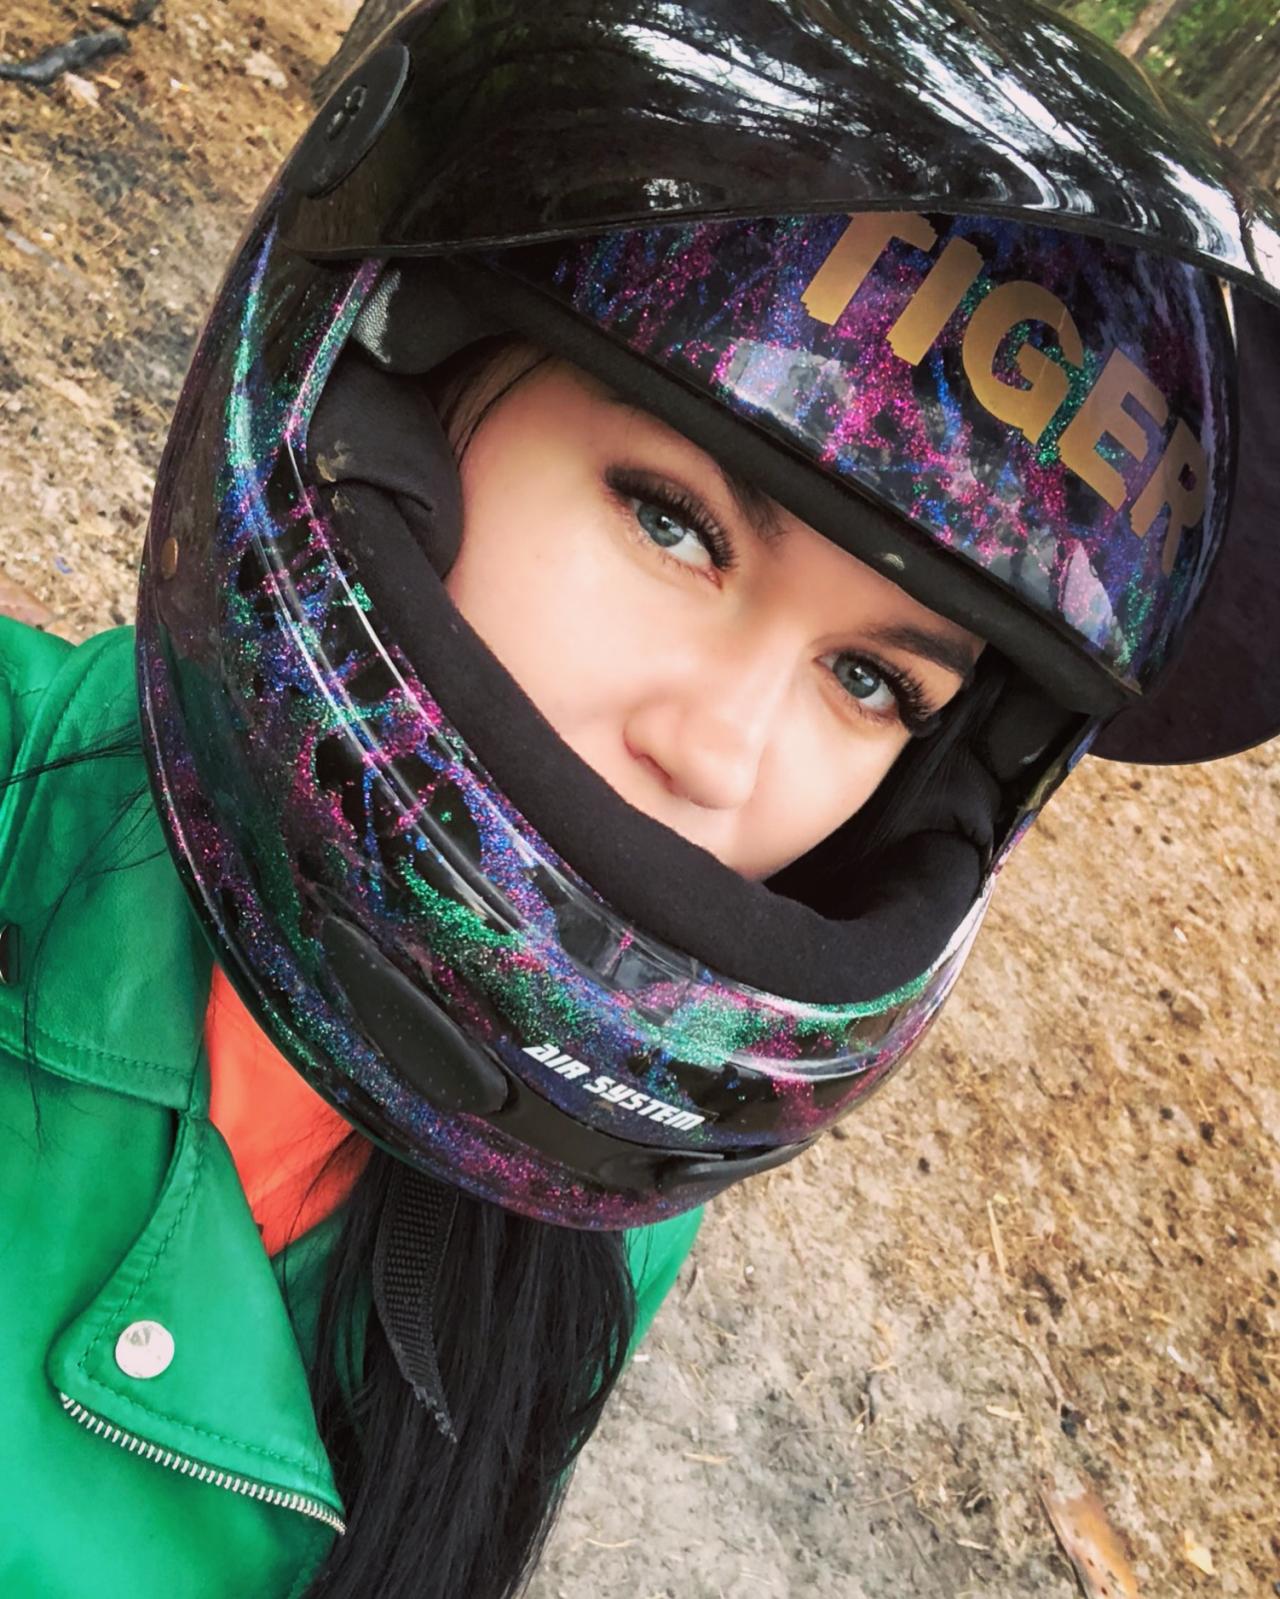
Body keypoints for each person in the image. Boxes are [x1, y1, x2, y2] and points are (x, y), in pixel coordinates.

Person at [2, 0, 1277, 1595]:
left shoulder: (605, 1211)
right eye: (674, 523)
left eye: (871, 681)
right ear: (396, 403)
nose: (721, 756)